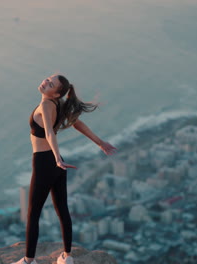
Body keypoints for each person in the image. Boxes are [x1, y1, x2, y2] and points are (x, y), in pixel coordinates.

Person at [11, 74, 117, 264]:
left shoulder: (46, 105)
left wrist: (57, 158)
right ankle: (67, 257)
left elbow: (50, 133)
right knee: (62, 210)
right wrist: (100, 143)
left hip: (45, 162)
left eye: (50, 84)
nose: (45, 82)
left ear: (56, 93)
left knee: (33, 214)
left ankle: (29, 261)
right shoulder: (60, 104)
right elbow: (78, 124)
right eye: (47, 79)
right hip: (57, 163)